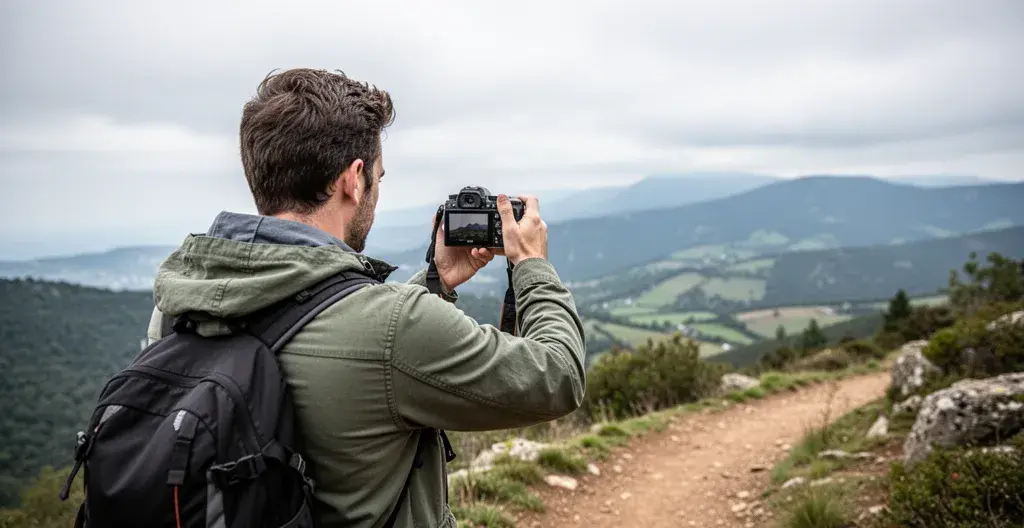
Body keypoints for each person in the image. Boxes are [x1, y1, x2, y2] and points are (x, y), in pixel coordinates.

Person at [144, 68, 586, 527]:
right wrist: (532, 265)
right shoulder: (394, 328)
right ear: (354, 180)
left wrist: (435, 282)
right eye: (378, 176)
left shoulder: (177, 308)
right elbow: (558, 376)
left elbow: (338, 341)